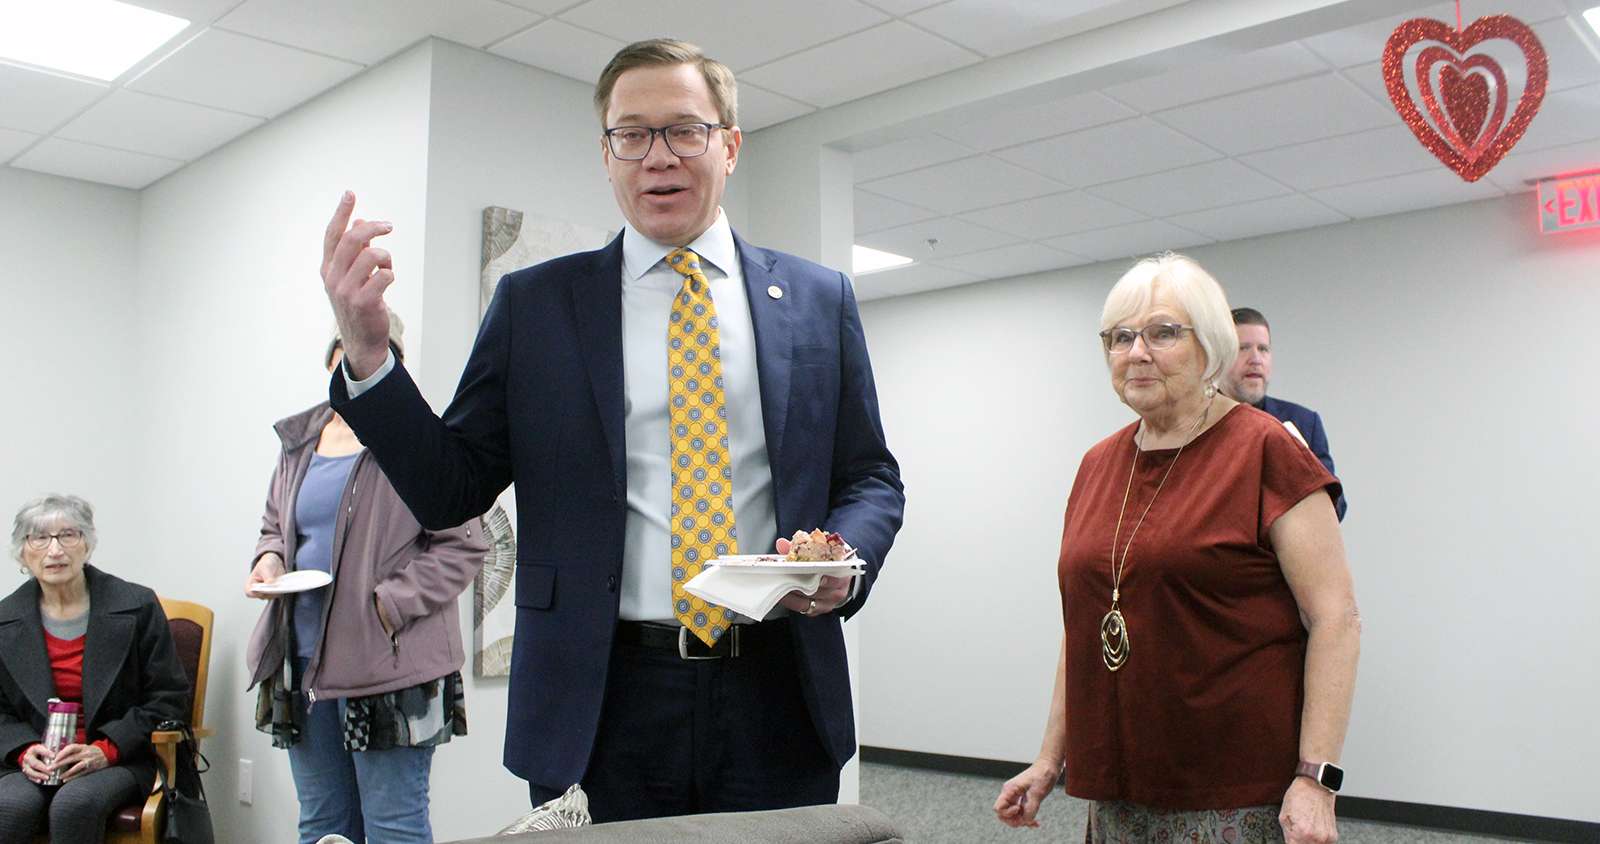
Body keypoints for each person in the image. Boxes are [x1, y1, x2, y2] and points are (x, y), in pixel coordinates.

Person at [315, 38, 904, 822]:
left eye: (684, 130)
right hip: (600, 701)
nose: (656, 155)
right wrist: (367, 352)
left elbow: (869, 475)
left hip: (777, 689)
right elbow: (447, 487)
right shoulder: (536, 306)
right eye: (631, 134)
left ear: (729, 145)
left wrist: (844, 559)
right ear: (607, 155)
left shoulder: (815, 299)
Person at [993, 255, 1359, 844]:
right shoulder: (1096, 464)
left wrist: (1317, 780)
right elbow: (1086, 625)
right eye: (1120, 337)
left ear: (1209, 347)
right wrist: (1049, 759)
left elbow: (1336, 617)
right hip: (1119, 785)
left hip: (1232, 790)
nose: (1137, 352)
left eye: (1162, 332)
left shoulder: (1266, 449)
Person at [243, 323, 488, 844]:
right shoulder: (298, 443)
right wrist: (268, 561)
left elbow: (464, 545)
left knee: (392, 828)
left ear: (391, 365)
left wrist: (387, 605)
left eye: (376, 354)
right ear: (330, 358)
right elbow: (275, 528)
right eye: (344, 352)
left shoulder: (416, 442)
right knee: (323, 825)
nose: (353, 364)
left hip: (389, 668)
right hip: (301, 665)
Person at [0, 494, 188, 844]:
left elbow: (168, 698)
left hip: (120, 758)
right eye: (39, 538)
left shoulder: (138, 606)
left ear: (87, 544)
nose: (55, 550)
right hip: (36, 762)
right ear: (23, 553)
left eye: (68, 535)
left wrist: (105, 750)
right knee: (9, 806)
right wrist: (25, 751)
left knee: (75, 803)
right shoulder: (3, 620)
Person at [1222, 307, 1346, 521]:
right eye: (1243, 348)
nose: (1255, 359)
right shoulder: (1195, 423)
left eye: (1263, 349)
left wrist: (1301, 469)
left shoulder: (1303, 423)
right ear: (1219, 357)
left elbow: (1336, 509)